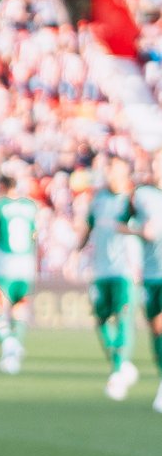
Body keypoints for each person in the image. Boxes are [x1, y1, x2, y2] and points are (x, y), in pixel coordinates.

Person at [78, 156, 140, 401]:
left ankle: (116, 372)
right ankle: (121, 363)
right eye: (109, 169)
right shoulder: (99, 199)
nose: (110, 173)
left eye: (115, 169)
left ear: (125, 173)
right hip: (101, 269)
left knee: (124, 317)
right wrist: (76, 252)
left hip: (126, 269)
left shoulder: (133, 200)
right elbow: (89, 228)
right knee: (101, 319)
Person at [0, 173, 38, 375]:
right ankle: (13, 354)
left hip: (5, 264)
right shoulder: (30, 206)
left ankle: (9, 343)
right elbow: (34, 233)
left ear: (2, 186)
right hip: (27, 264)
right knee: (19, 307)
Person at [124, 151, 162, 412]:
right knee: (156, 330)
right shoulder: (143, 195)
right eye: (155, 164)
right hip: (151, 273)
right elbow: (122, 221)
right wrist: (137, 230)